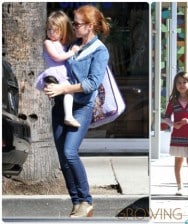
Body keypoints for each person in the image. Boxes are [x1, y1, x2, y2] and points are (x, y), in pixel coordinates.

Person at [44, 5, 110, 217]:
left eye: (77, 23)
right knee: (63, 158)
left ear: (90, 26)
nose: (73, 26)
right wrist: (51, 83)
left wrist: (64, 88)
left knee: (70, 152)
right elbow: (60, 68)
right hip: (60, 106)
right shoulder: (73, 45)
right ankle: (76, 202)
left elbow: (91, 83)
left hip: (81, 106)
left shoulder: (100, 51)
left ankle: (86, 200)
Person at [35, 11, 81, 127]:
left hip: (63, 72)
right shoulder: (47, 43)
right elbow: (57, 58)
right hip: (54, 72)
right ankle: (68, 116)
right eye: (49, 29)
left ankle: (68, 115)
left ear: (63, 31)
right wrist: (71, 52)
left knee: (69, 91)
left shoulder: (64, 43)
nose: (51, 33)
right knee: (67, 89)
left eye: (55, 30)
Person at [163, 72, 188, 196]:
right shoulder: (173, 101)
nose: (181, 85)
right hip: (177, 136)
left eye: (184, 82)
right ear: (175, 85)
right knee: (178, 162)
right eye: (179, 83)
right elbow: (166, 117)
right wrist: (172, 124)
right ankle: (179, 187)